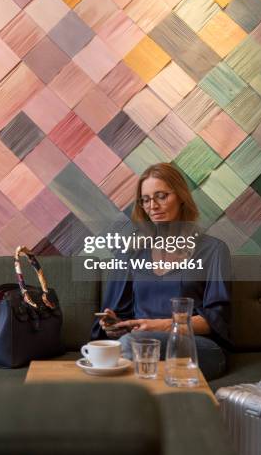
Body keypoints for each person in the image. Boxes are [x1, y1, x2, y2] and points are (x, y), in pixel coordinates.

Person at [91, 163, 231, 381]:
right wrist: (114, 325)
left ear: (181, 197)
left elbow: (216, 321)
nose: (152, 206)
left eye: (161, 196)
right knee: (123, 345)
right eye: (145, 199)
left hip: (196, 347)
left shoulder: (214, 250)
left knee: (130, 346)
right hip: (138, 343)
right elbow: (120, 317)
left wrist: (161, 326)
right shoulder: (131, 252)